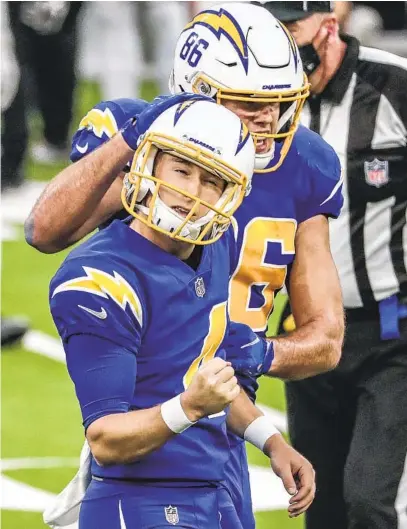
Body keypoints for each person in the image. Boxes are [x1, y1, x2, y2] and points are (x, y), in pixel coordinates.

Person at [26, 3, 344, 527]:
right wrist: (137, 141)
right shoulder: (143, 144)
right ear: (193, 94)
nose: (267, 121)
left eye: (278, 104)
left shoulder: (298, 168)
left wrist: (257, 359)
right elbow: (46, 231)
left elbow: (325, 338)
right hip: (149, 415)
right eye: (247, 104)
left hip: (225, 417)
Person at [48, 93, 315, 529]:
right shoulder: (100, 277)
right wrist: (190, 407)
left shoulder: (217, 246)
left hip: (213, 487)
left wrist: (271, 442)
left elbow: (207, 370)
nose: (192, 193)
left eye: (212, 181)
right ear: (149, 165)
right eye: (182, 170)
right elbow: (105, 438)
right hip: (139, 498)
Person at [262, 2, 407, 528]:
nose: (278, 42)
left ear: (329, 25)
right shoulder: (261, 98)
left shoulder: (393, 86)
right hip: (304, 335)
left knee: (367, 500)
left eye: (289, 27)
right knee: (319, 507)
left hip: (390, 330)